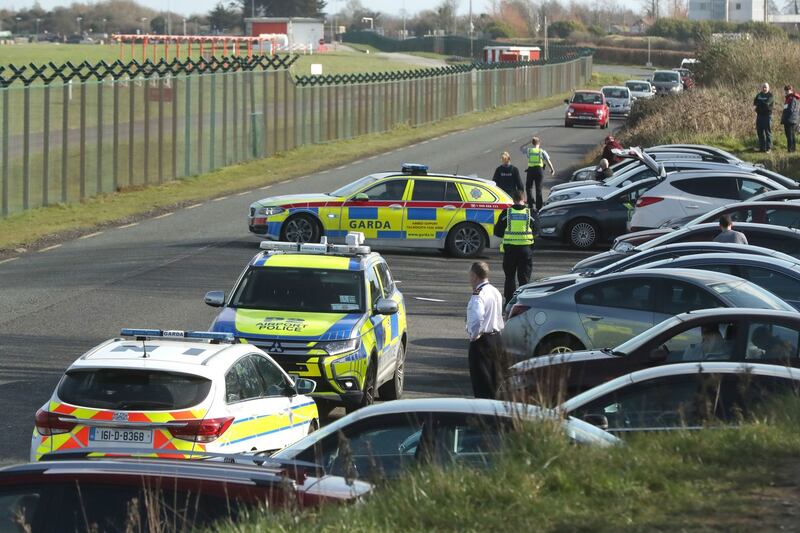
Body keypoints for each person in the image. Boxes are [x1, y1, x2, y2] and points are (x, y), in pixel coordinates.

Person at [465, 261, 506, 399]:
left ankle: (484, 418)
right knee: (495, 383)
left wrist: (474, 335)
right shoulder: (495, 291)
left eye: (470, 275)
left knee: (482, 385)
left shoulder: (478, 295)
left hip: (483, 342)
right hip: (497, 339)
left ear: (475, 276)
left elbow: (476, 318)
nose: (469, 278)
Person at [494, 189, 536, 304]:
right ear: (524, 199)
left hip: (510, 251)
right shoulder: (530, 213)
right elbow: (537, 231)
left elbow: (497, 232)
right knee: (524, 279)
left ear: (513, 200)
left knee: (510, 278)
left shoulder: (506, 213)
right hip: (526, 251)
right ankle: (523, 303)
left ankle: (509, 303)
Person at [520, 136, 555, 212]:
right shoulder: (542, 151)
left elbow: (521, 148)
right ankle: (539, 207)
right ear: (539, 143)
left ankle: (530, 204)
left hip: (531, 171)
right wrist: (552, 169)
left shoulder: (529, 150)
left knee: (529, 188)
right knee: (538, 189)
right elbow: (548, 161)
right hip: (539, 171)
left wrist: (528, 142)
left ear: (532, 143)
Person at [753, 82, 774, 153]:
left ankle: (769, 148)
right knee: (760, 132)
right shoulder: (759, 95)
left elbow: (767, 104)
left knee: (768, 132)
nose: (764, 88)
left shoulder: (770, 95)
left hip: (767, 116)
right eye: (763, 87)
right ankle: (762, 148)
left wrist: (760, 103)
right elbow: (755, 102)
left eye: (766, 87)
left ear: (768, 88)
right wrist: (759, 104)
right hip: (759, 116)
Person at [781, 84, 800, 153]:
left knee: (790, 135)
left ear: (791, 90)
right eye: (785, 90)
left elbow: (790, 110)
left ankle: (791, 150)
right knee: (790, 135)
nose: (786, 92)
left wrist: (785, 115)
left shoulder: (792, 98)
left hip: (790, 119)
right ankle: (792, 149)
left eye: (787, 90)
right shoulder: (788, 98)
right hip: (789, 119)